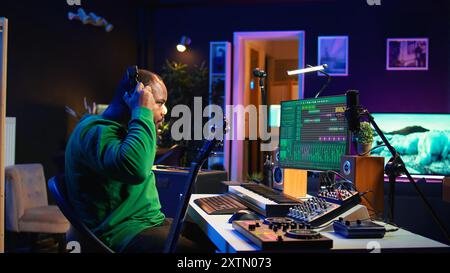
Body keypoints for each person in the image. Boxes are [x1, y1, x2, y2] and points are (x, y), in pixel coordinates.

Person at [64, 68, 215, 253]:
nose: (165, 110)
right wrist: (142, 111)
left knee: (212, 238)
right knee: (201, 252)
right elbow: (136, 169)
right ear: (133, 98)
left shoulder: (121, 131)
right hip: (122, 232)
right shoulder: (95, 131)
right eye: (159, 103)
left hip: (147, 223)